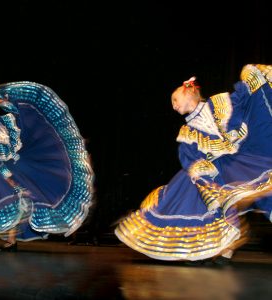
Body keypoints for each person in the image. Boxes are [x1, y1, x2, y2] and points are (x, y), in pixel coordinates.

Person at [115, 64, 272, 263]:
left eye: (175, 99)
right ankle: (222, 247)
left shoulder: (219, 103)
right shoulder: (188, 131)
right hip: (214, 169)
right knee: (190, 194)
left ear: (189, 93)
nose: (173, 105)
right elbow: (188, 156)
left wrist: (251, 81)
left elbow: (241, 103)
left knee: (260, 184)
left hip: (236, 158)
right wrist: (201, 169)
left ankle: (226, 246)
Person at [0, 81, 94, 251]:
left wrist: (5, 102)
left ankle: (8, 240)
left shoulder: (7, 121)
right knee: (10, 202)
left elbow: (22, 116)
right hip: (3, 173)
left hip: (26, 162)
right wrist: (13, 183)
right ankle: (9, 240)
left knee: (40, 192)